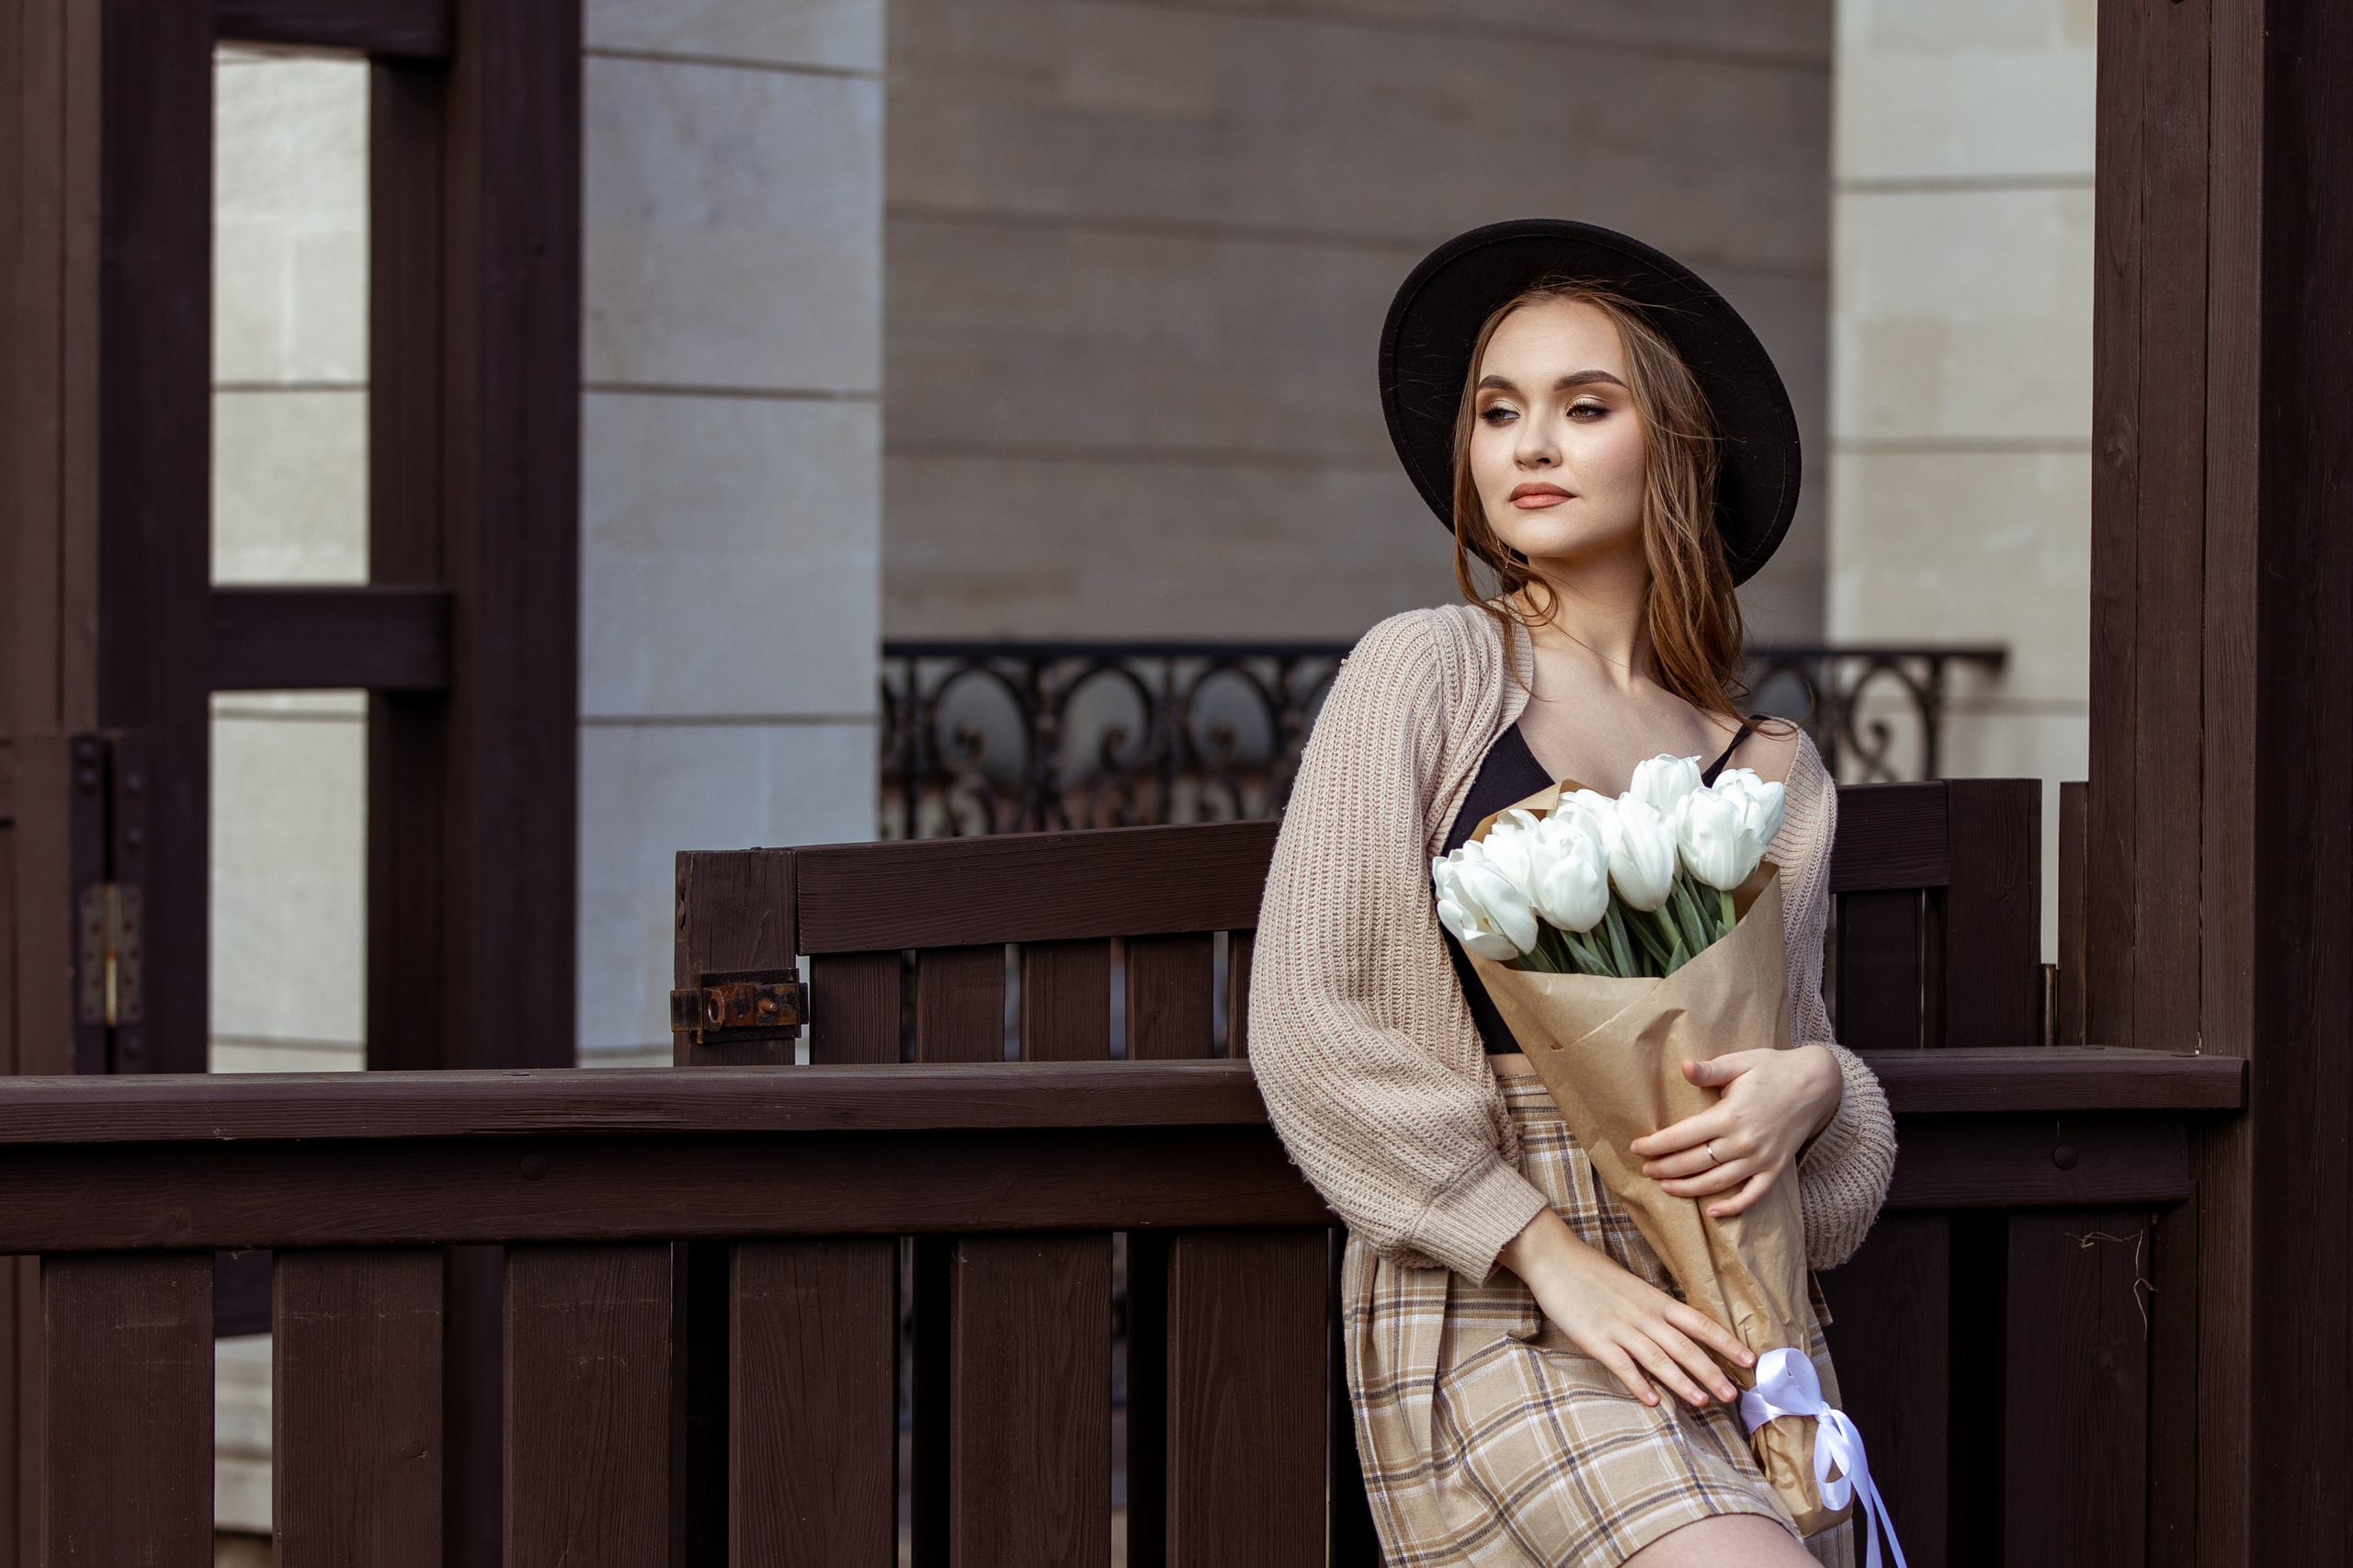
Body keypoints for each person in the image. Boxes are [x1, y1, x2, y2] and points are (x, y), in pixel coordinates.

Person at [1249, 222, 1898, 1568]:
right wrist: (1540, 1247)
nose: (1526, 446)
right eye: (1498, 412)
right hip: (1496, 1296)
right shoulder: (1426, 671)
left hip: (1737, 1300)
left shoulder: (1773, 771)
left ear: (1674, 445)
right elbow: (1317, 1020)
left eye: (1582, 407)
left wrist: (1818, 1087)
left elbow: (1819, 1193)